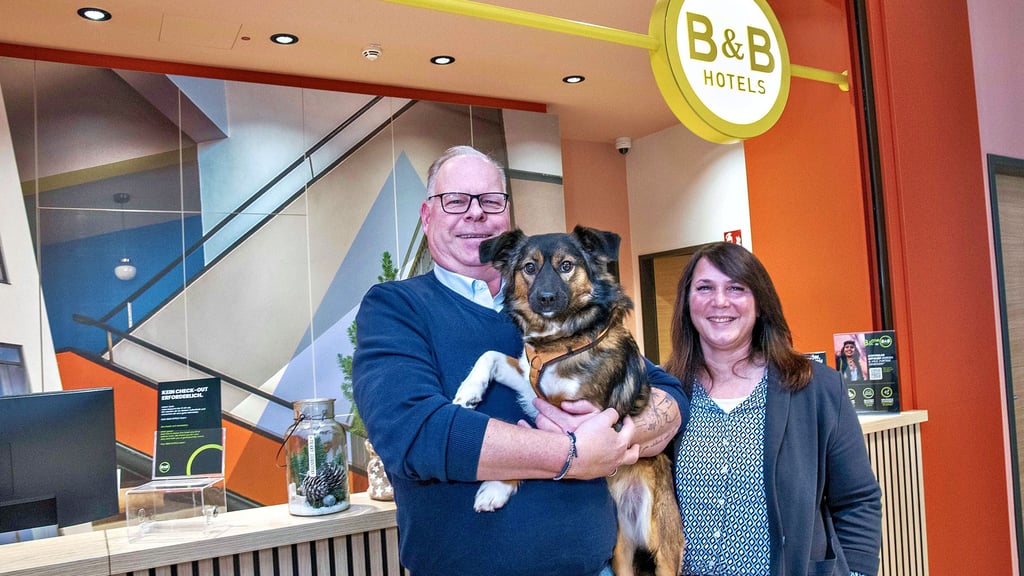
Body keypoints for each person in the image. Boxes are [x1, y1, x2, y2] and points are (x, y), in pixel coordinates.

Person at [352, 145, 687, 576]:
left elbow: (667, 392)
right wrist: (572, 453)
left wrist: (621, 435)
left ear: (507, 218)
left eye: (490, 201)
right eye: (455, 200)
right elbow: (413, 434)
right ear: (426, 214)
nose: (475, 214)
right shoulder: (396, 307)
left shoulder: (557, 310)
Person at [663, 242, 882, 576]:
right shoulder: (666, 396)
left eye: (736, 288)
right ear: (687, 303)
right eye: (704, 288)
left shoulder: (817, 390)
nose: (719, 301)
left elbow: (857, 501)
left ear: (760, 304)